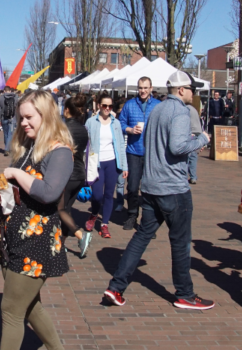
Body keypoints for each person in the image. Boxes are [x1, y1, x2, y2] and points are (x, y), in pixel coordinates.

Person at [103, 71, 213, 310]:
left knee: (141, 236)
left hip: (151, 186)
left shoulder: (157, 110)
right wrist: (202, 139)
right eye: (191, 89)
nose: (193, 94)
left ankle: (116, 287)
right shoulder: (180, 112)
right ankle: (185, 294)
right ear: (181, 90)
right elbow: (178, 146)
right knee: (181, 242)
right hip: (172, 188)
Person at [0, 90, 76, 350]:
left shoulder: (60, 151)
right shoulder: (29, 145)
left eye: (29, 117)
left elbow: (48, 193)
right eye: (21, 118)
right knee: (28, 305)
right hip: (15, 237)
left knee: (11, 310)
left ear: (46, 115)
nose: (24, 123)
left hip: (37, 242)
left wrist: (16, 175)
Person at [117, 77, 161, 231]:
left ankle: (148, 222)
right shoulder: (129, 105)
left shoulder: (158, 105)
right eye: (140, 88)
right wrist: (129, 129)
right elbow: (120, 123)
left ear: (151, 88)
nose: (143, 91)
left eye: (146, 88)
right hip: (134, 152)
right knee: (133, 187)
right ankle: (132, 215)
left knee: (150, 189)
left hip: (152, 153)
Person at [84, 93, 127, 239]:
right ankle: (94, 214)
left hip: (112, 162)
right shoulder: (91, 122)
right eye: (104, 105)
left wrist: (124, 166)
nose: (107, 108)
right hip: (96, 163)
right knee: (97, 196)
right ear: (99, 106)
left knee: (109, 195)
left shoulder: (116, 123)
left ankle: (104, 224)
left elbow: (121, 145)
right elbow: (85, 143)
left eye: (110, 106)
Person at [59, 95, 93, 258]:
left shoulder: (64, 129)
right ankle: (61, 244)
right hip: (79, 174)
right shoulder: (83, 129)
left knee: (59, 209)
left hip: (67, 174)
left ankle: (80, 234)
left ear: (66, 110)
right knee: (66, 209)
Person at [0, 86, 18, 152]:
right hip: (12, 117)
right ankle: (7, 148)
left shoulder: (1, 98)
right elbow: (17, 107)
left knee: (5, 133)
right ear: (10, 90)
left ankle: (6, 147)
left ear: (4, 91)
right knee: (10, 133)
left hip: (4, 117)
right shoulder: (15, 97)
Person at [187, 102, 202, 185]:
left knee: (186, 156)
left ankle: (184, 177)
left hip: (191, 133)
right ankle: (193, 177)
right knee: (193, 156)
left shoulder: (185, 109)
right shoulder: (193, 109)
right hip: (196, 133)